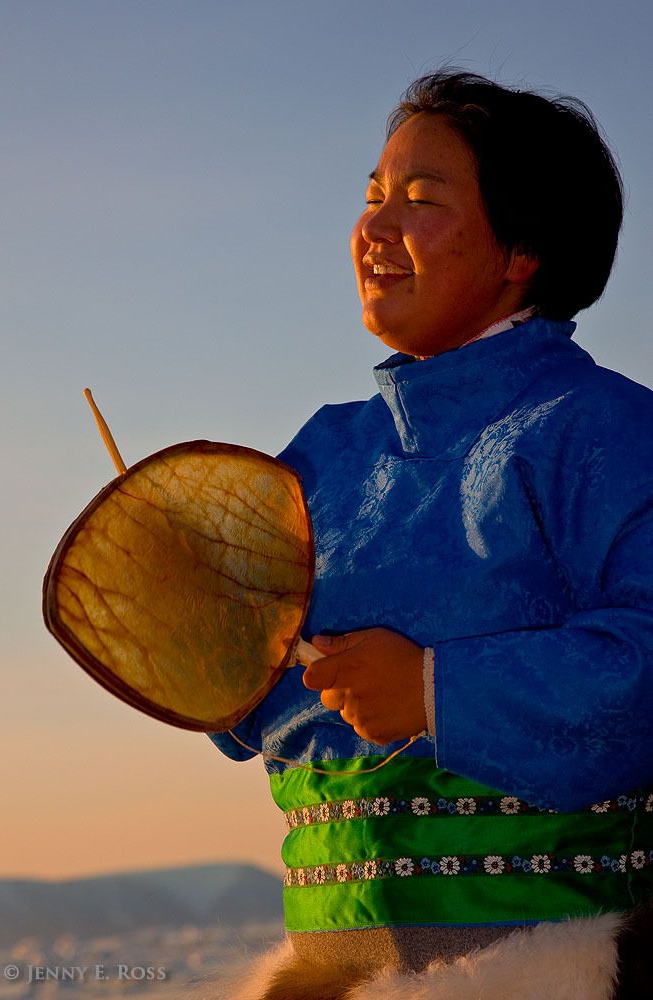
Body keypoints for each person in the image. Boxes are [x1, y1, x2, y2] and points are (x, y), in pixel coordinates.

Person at [206, 70, 653, 1000]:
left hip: (561, 965)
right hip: (327, 970)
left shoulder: (604, 429)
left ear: (521, 246)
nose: (372, 228)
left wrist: (433, 689)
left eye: (418, 199)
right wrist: (188, 642)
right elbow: (244, 689)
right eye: (371, 197)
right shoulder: (320, 455)